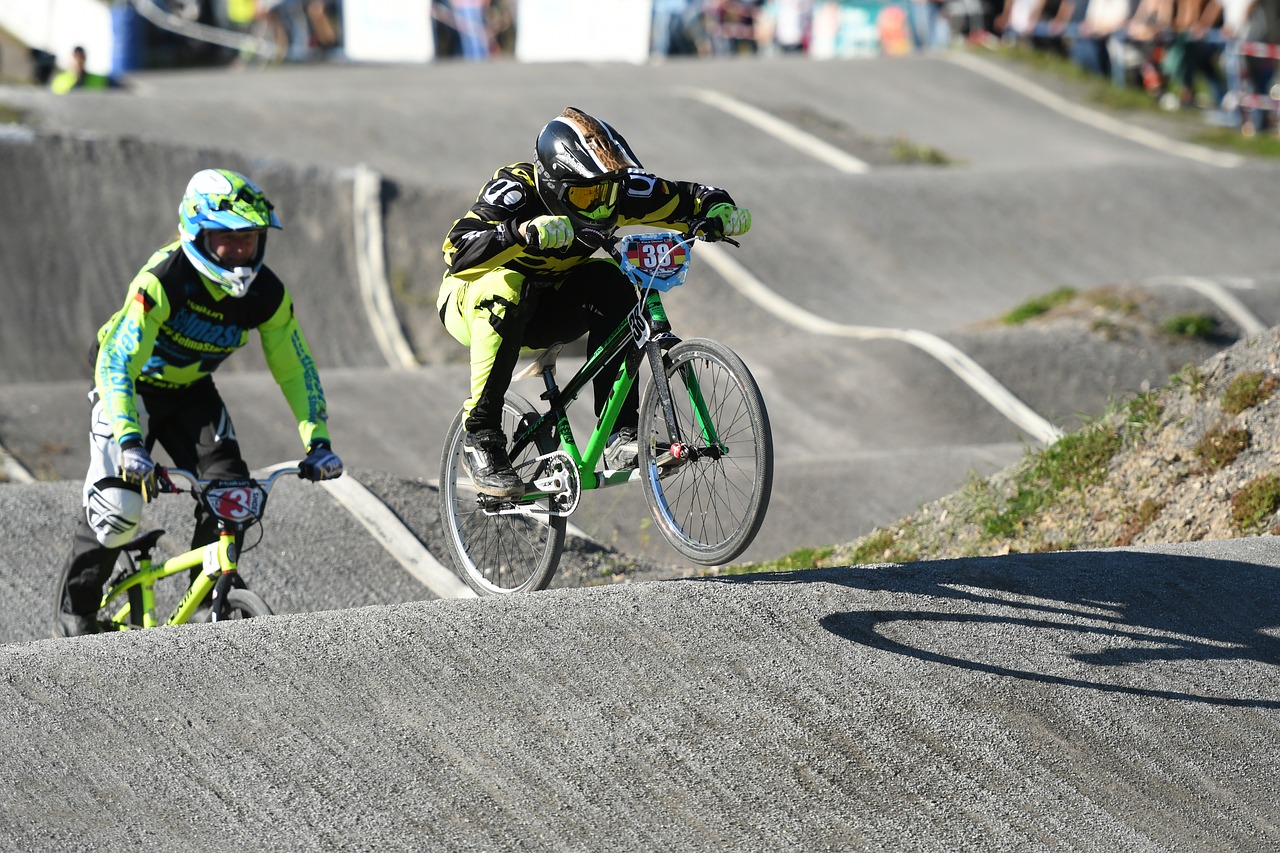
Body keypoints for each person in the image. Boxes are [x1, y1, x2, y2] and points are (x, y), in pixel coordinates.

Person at [53, 168, 344, 638]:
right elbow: (116, 364)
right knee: (117, 509)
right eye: (226, 241)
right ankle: (76, 614)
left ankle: (212, 599)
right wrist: (130, 443)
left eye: (249, 240)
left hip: (191, 391)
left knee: (232, 493)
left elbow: (295, 366)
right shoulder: (164, 281)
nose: (238, 253)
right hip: (131, 387)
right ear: (195, 233)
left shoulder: (266, 293)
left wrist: (319, 441)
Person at [436, 107, 752, 498]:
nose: (601, 205)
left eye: (608, 191)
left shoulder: (613, 189)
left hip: (550, 305)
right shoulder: (517, 188)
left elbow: (687, 196)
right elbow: (455, 250)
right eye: (586, 193)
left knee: (614, 282)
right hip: (472, 302)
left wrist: (718, 209)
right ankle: (480, 435)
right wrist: (518, 232)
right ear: (554, 184)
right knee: (507, 283)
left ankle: (621, 434)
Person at [49, 46, 114, 94]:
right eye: (75, 57)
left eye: (81, 57)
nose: (78, 61)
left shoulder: (100, 80)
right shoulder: (59, 81)